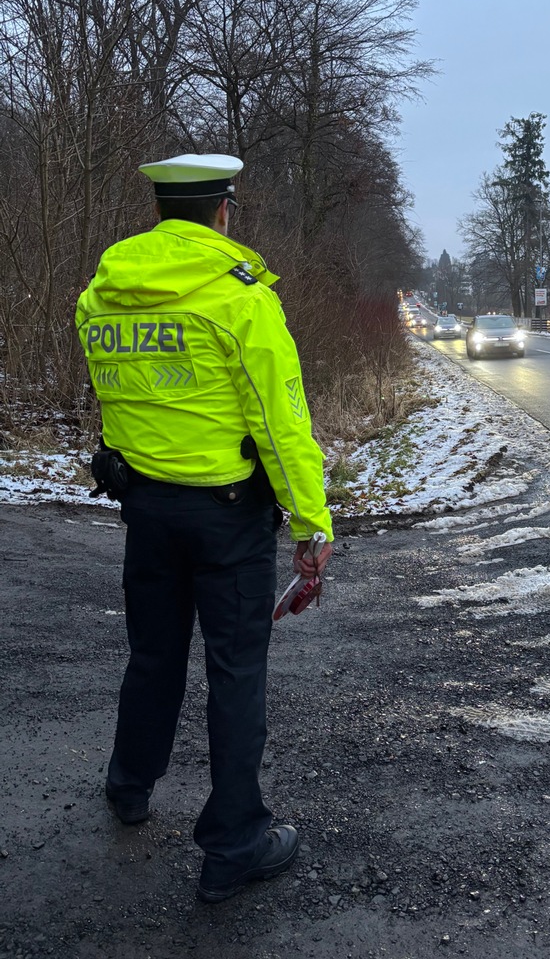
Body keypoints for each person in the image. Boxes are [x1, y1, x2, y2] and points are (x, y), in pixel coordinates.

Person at [75, 154, 333, 903]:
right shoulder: (238, 298)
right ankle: (235, 845)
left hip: (146, 505)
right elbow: (281, 421)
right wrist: (311, 524)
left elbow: (119, 397)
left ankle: (129, 787)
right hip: (226, 514)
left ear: (163, 211)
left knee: (153, 654)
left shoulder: (104, 293)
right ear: (224, 211)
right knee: (235, 670)